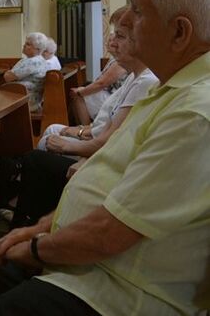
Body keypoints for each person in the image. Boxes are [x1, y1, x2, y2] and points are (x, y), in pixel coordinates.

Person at [0, 0, 210, 316]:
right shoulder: (169, 89)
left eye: (137, 12)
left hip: (112, 291)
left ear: (179, 33)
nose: (125, 24)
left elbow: (113, 232)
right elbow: (105, 173)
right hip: (89, 267)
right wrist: (42, 227)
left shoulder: (195, 113)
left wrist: (36, 248)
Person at [14, 22, 157, 225]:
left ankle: (29, 221)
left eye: (120, 37)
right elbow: (107, 128)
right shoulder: (134, 78)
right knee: (48, 141)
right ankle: (35, 215)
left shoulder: (145, 81)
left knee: (35, 158)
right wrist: (80, 134)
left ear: (139, 44)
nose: (113, 42)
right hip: (99, 150)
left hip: (108, 164)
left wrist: (74, 147)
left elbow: (111, 139)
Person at [68, 7, 129, 125]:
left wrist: (82, 92)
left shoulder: (124, 60)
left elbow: (103, 83)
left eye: (120, 36)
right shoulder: (116, 58)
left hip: (115, 99)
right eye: (111, 39)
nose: (113, 43)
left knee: (78, 94)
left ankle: (85, 127)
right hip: (113, 96)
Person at [3, 32, 49, 112]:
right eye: (25, 43)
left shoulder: (33, 62)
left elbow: (8, 77)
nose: (24, 45)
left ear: (37, 49)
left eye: (28, 44)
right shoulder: (38, 60)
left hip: (24, 100)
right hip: (28, 97)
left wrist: (8, 73)